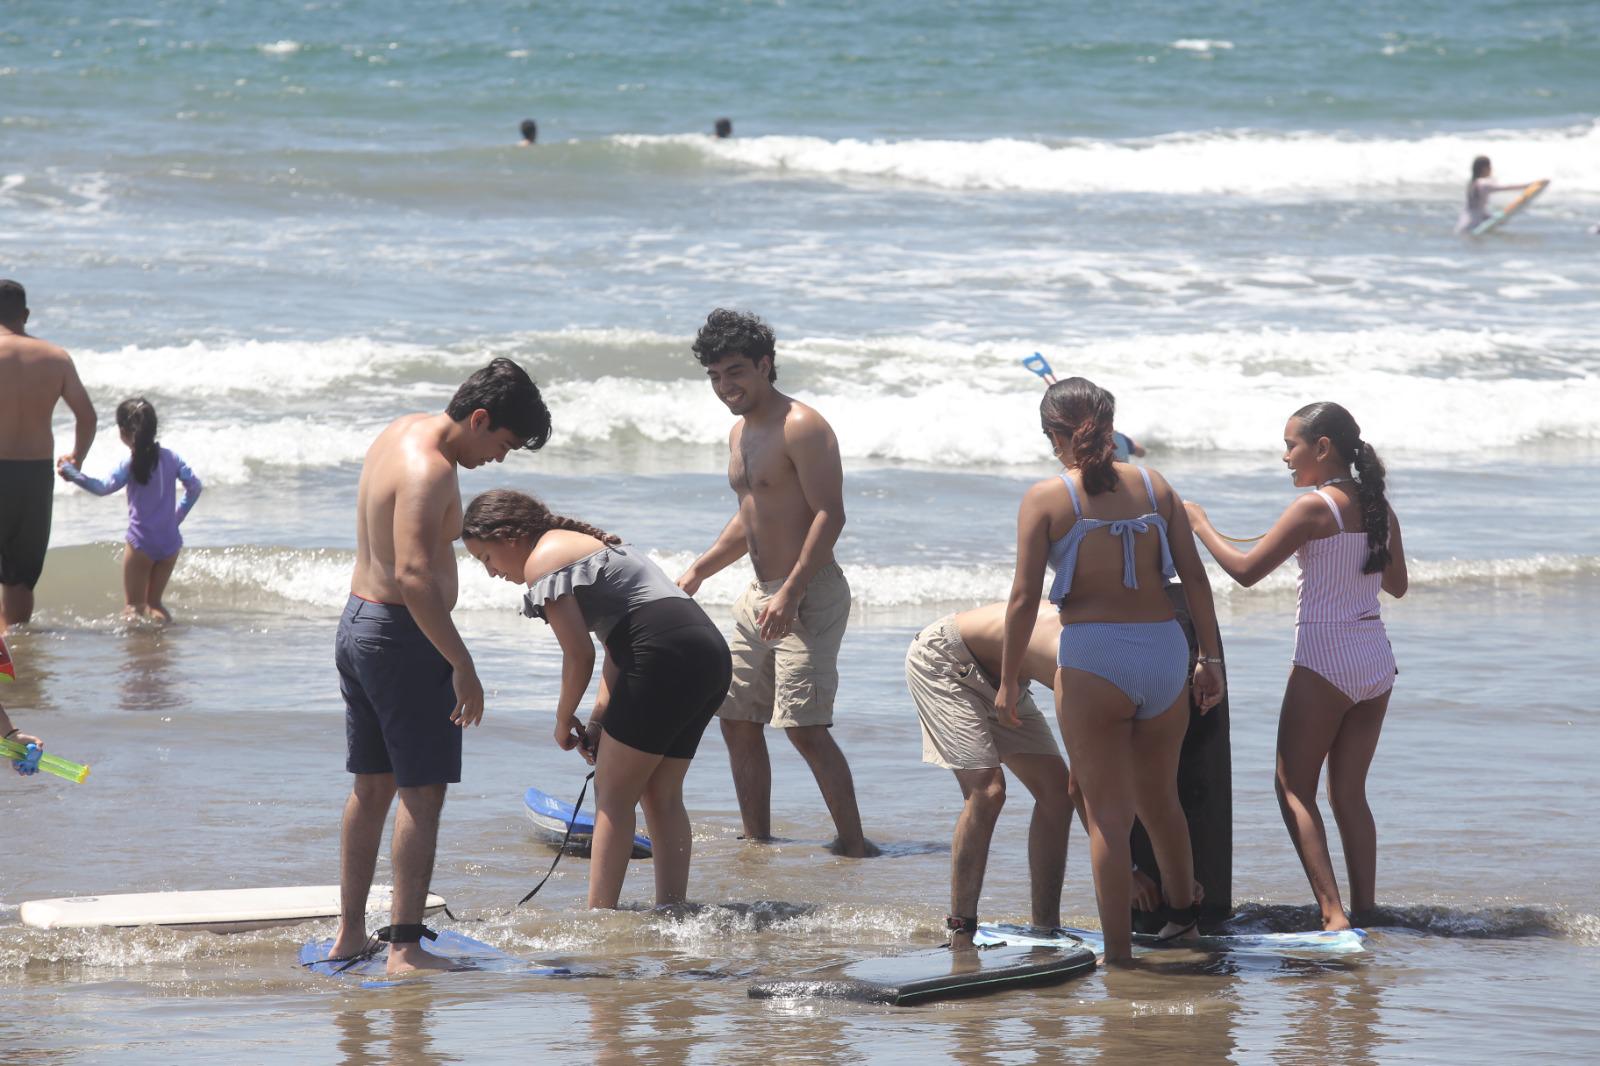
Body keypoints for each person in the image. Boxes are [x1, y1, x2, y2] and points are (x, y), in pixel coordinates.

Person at [329, 357, 550, 975]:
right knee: (420, 795)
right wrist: (463, 664)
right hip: (402, 638)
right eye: (502, 443)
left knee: (370, 788)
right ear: (479, 418)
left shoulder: (403, 432)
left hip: (358, 624)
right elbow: (415, 577)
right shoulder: (431, 470)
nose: (500, 460)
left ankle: (350, 935)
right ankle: (404, 948)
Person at [997, 376, 1224, 963]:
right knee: (1162, 800)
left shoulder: (1047, 498)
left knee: (1107, 816)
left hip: (1094, 656)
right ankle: (1184, 925)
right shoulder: (1156, 486)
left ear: (1054, 435)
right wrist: (1209, 659)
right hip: (1164, 652)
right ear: (1109, 424)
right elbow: (1194, 580)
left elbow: (1024, 601)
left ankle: (1120, 957)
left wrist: (1005, 680)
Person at [1185, 401, 1406, 931]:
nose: (1285, 457)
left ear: (1322, 447)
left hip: (1325, 655)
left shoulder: (1314, 508)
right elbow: (1396, 586)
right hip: (1375, 658)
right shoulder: (1376, 505)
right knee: (1349, 793)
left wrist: (1199, 523)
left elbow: (1244, 571)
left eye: (1291, 445)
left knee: (1292, 787)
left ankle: (1333, 916)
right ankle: (1366, 909)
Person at [462, 490, 731, 908]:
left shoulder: (542, 560)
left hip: (661, 655)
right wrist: (597, 721)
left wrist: (562, 716)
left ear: (507, 536)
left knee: (613, 793)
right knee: (661, 793)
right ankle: (672, 907)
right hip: (706, 654)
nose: (491, 572)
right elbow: (616, 650)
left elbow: (579, 654)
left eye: (486, 558)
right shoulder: (581, 549)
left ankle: (599, 914)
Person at [677, 309, 877, 858]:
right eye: (715, 376)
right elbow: (752, 516)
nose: (725, 387)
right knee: (736, 718)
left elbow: (829, 515)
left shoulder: (802, 426)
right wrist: (698, 570)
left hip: (808, 594)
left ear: (765, 365)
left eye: (736, 372)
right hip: (757, 595)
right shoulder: (740, 432)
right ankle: (757, 842)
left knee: (803, 727)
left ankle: (854, 846)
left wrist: (790, 591)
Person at [906, 602, 1071, 947]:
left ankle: (1046, 927)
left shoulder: (1119, 658)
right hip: (945, 660)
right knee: (987, 791)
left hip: (1007, 682)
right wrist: (1127, 872)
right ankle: (960, 929)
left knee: (1058, 794)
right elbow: (1091, 780)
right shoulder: (1076, 671)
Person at [0, 279, 97, 630]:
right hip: (34, 473)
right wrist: (77, 459)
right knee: (20, 576)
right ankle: (11, 651)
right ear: (25, 314)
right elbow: (87, 416)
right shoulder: (56, 357)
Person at [58, 398, 202, 623]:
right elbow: (195, 487)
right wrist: (176, 517)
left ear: (123, 432)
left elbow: (102, 488)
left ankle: (138, 652)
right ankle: (165, 648)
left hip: (142, 543)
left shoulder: (131, 464)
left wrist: (71, 472)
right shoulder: (171, 458)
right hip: (171, 542)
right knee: (155, 604)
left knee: (134, 608)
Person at [1457, 155, 1540, 234]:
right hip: (1472, 225)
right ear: (1484, 169)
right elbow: (1507, 187)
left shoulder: (1472, 184)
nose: (1491, 170)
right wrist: (1529, 185)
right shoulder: (1483, 184)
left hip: (1463, 225)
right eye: (1490, 167)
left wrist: (1492, 218)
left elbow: (1476, 209)